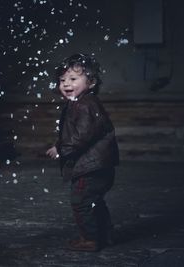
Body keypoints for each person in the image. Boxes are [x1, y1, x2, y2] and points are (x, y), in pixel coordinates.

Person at [46, 53, 119, 252]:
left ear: (91, 82)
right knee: (94, 201)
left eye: (73, 79)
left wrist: (61, 149)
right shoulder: (77, 103)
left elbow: (82, 135)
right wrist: (59, 144)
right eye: (62, 80)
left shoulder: (86, 104)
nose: (66, 84)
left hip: (91, 169)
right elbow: (73, 132)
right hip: (95, 165)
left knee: (81, 202)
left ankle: (90, 239)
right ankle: (105, 235)